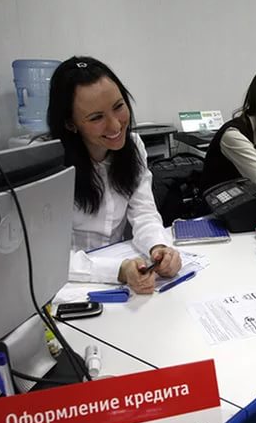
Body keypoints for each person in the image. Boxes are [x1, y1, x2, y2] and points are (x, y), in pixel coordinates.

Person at [47, 56, 181, 294]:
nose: (115, 126)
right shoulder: (49, 164)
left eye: (119, 107)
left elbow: (144, 213)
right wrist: (117, 271)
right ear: (70, 124)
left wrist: (159, 247)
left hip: (124, 275)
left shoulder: (133, 146)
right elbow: (47, 257)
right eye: (96, 118)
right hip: (70, 284)